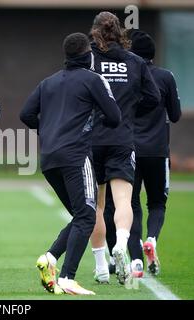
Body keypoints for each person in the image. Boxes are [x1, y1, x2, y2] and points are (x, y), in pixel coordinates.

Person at [20, 32, 121, 295]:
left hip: (50, 157)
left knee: (80, 215)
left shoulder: (48, 82)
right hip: (76, 155)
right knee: (87, 215)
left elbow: (26, 114)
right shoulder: (93, 79)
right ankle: (67, 277)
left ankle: (50, 259)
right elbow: (114, 117)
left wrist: (49, 129)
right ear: (87, 55)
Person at [88, 12, 160, 285]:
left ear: (95, 32)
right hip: (122, 139)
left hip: (92, 140)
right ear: (120, 32)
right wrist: (128, 111)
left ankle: (101, 267)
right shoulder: (136, 62)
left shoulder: (89, 59)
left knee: (96, 205)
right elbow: (153, 98)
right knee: (124, 200)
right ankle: (121, 242)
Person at [103, 31, 181, 278]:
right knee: (157, 203)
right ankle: (152, 240)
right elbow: (176, 115)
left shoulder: (127, 76)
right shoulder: (166, 77)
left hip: (130, 149)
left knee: (130, 204)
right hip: (158, 151)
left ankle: (136, 260)